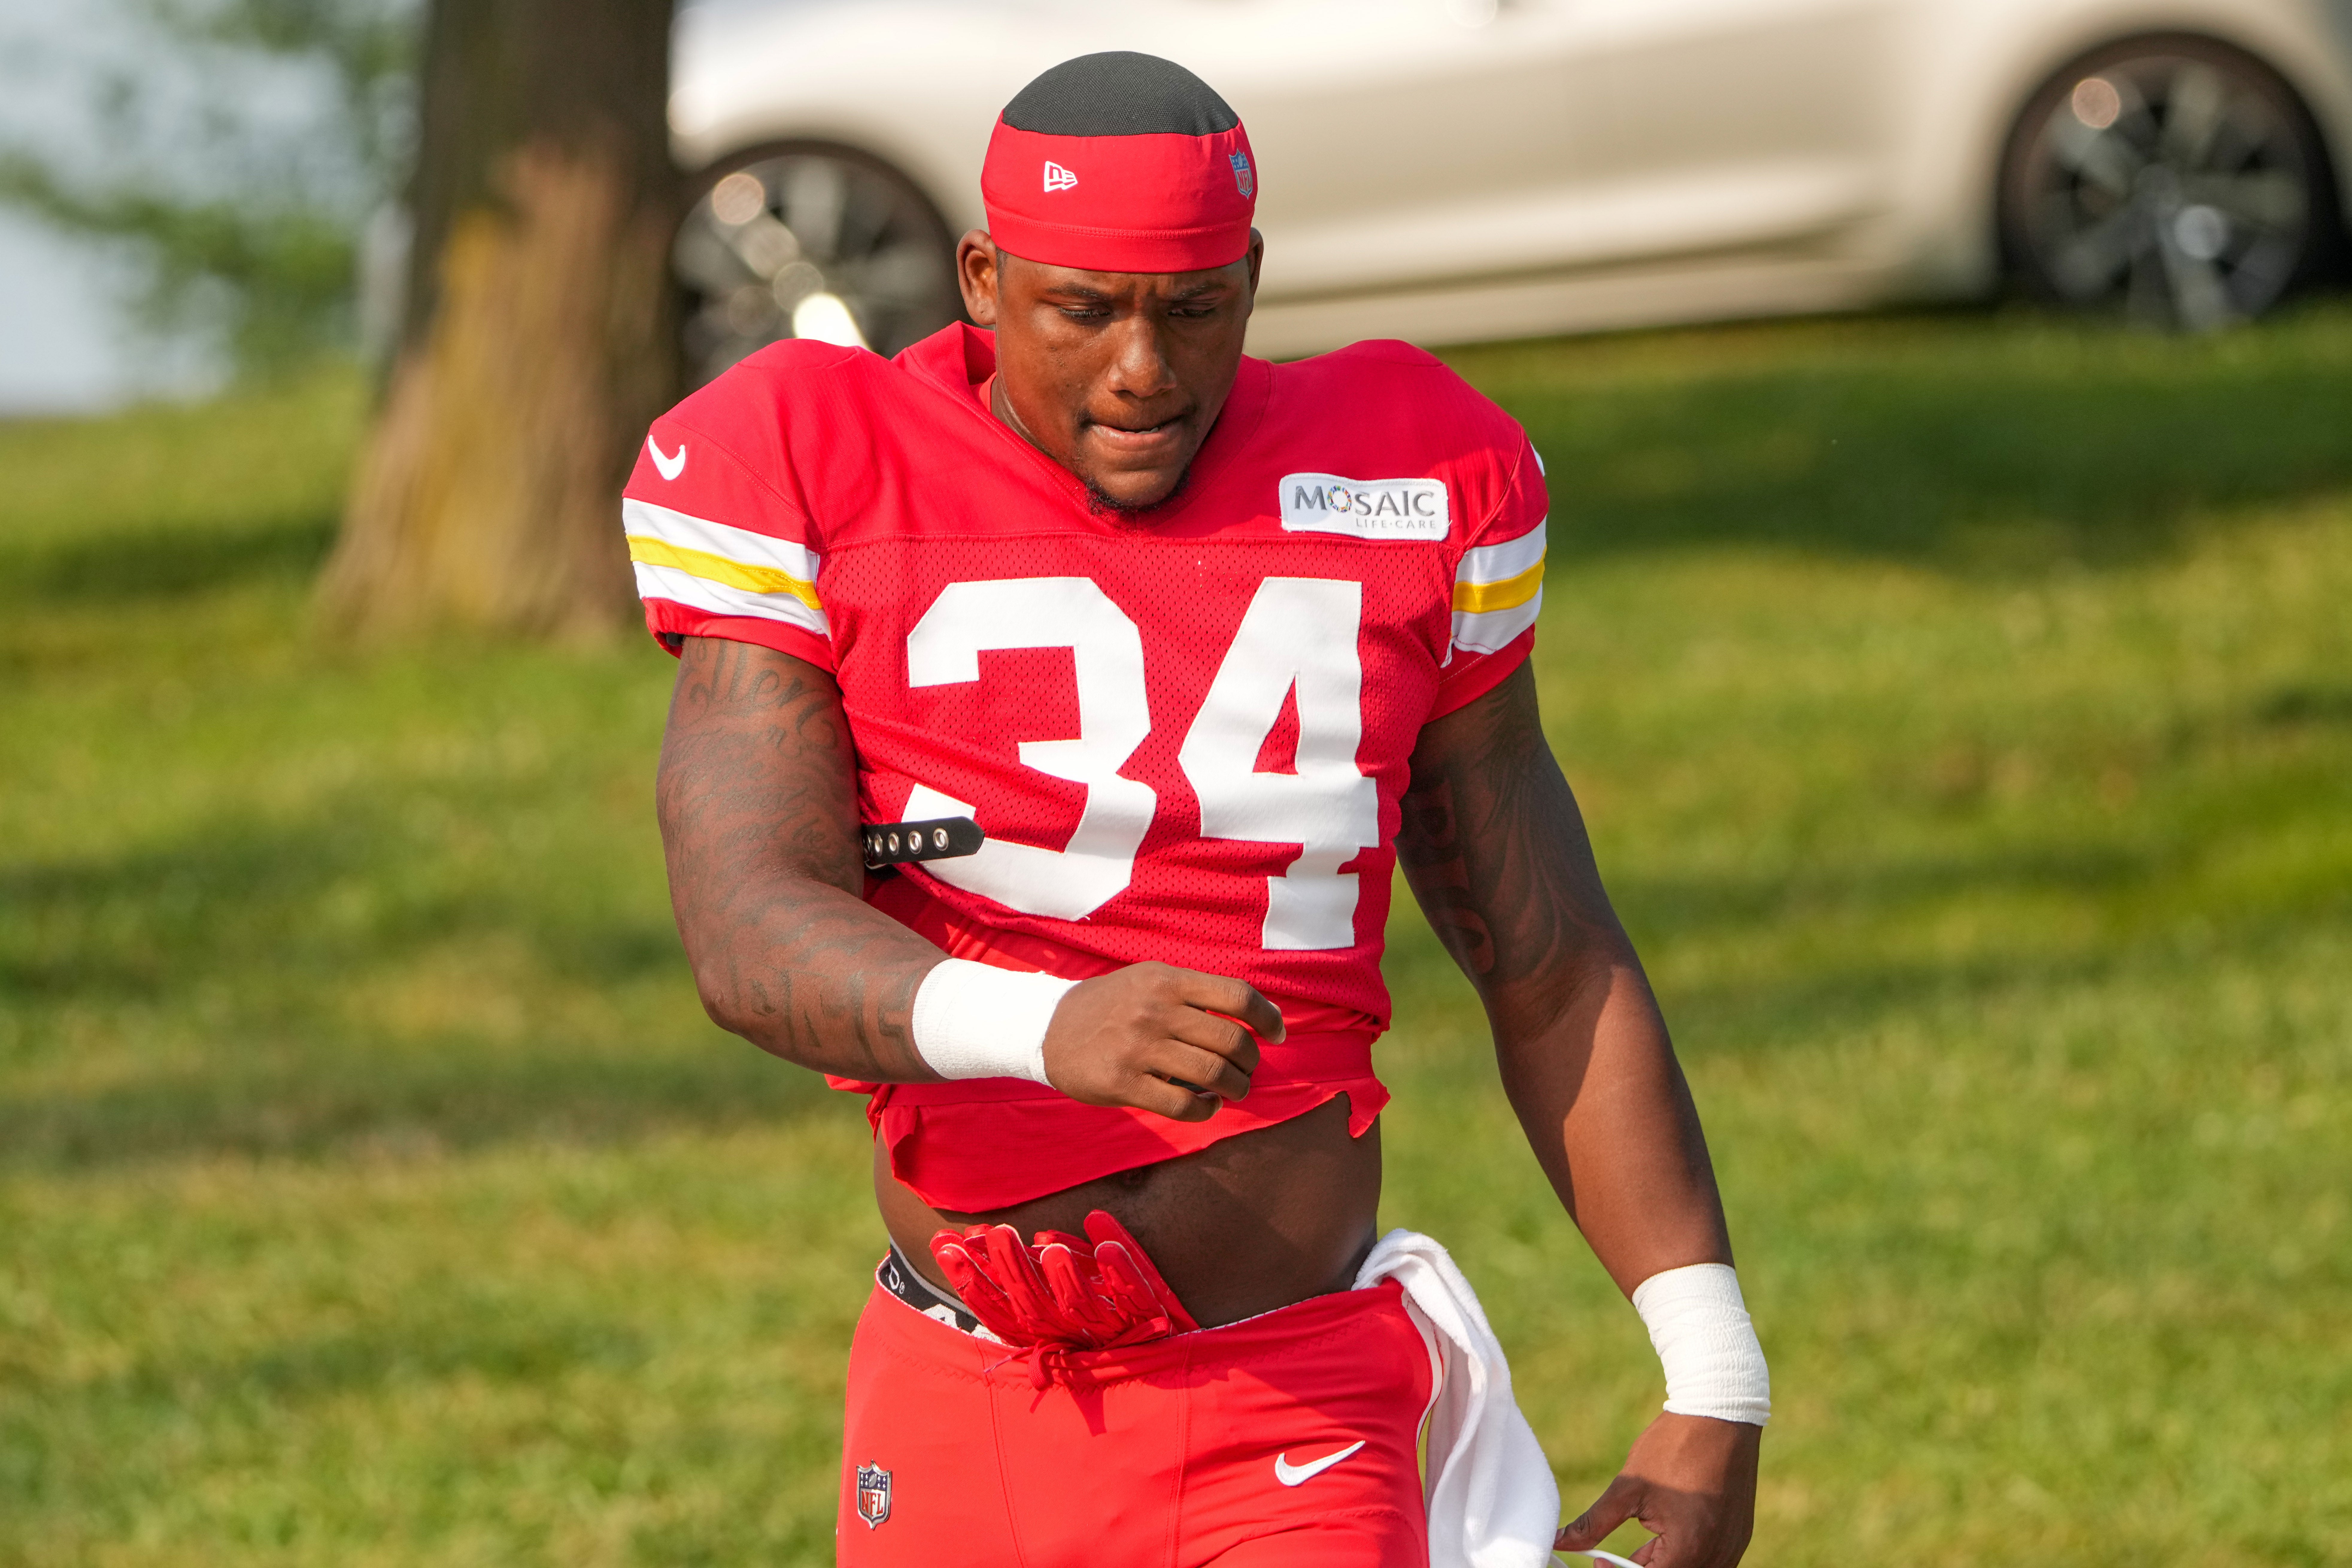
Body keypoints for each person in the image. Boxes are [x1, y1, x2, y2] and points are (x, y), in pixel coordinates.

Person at [626, 50, 1766, 1568]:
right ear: (981, 276)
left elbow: (1547, 953)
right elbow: (745, 925)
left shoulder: (1415, 470)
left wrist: (1712, 1362)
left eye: (1193, 308)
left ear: (1252, 278)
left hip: (1283, 1391)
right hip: (962, 1384)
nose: (1143, 369)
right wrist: (1049, 1026)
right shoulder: (813, 457)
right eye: (1083, 311)